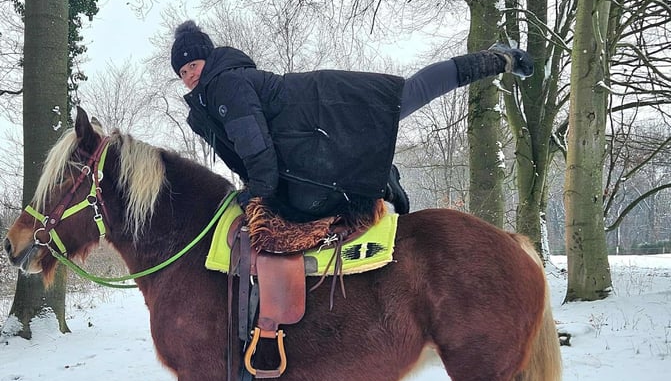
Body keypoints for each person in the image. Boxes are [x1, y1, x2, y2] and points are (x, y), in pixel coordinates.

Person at [171, 20, 533, 224]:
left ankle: (496, 59)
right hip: (313, 135)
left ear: (208, 60)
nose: (189, 76)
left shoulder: (225, 85)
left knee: (412, 92)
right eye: (183, 72)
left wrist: (259, 191)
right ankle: (381, 180)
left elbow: (254, 143)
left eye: (193, 65)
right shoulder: (214, 93)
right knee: (307, 203)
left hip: (329, 110)